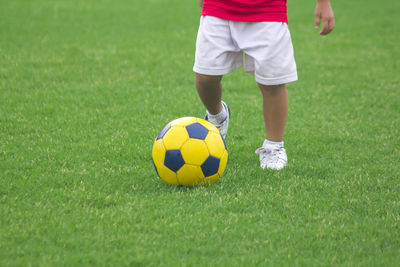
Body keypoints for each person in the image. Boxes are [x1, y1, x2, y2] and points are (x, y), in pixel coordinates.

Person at [193, 0, 335, 170]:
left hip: (269, 11)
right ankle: (217, 117)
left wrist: (323, 3)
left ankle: (274, 146)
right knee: (205, 76)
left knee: (272, 83)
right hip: (217, 7)